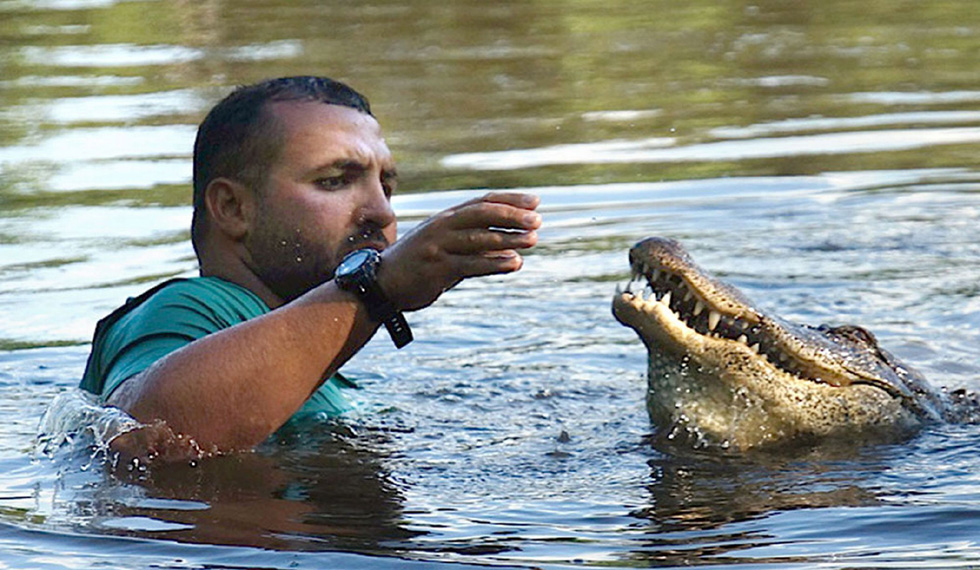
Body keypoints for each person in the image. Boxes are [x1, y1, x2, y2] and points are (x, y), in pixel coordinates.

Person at [79, 76, 541, 459]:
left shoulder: (320, 366)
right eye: (335, 181)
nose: (382, 213)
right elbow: (143, 433)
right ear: (234, 208)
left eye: (387, 187)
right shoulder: (186, 309)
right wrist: (374, 288)